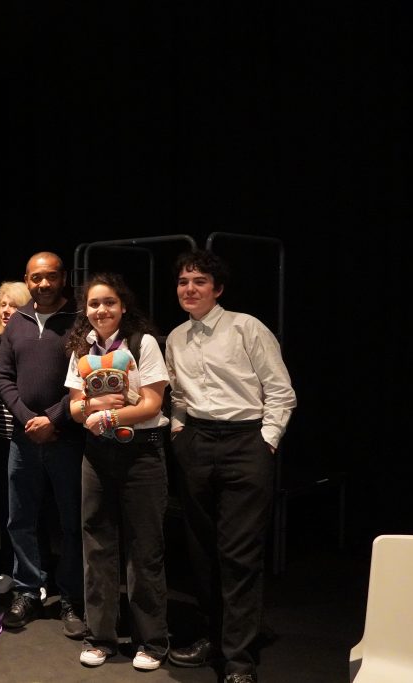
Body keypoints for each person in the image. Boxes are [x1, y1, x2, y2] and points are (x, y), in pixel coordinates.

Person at [164, 249, 296, 683]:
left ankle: (239, 659)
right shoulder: (176, 337)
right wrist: (180, 432)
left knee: (239, 554)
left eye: (199, 281)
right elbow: (178, 395)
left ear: (217, 289)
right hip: (197, 442)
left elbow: (280, 390)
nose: (189, 289)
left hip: (245, 442)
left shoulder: (246, 327)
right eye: (183, 281)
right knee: (201, 550)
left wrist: (267, 441)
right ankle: (213, 637)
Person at [64, 273, 170, 670]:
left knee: (144, 549)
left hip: (141, 453)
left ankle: (151, 641)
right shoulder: (82, 348)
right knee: (97, 545)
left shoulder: (143, 344)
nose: (101, 310)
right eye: (94, 304)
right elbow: (75, 408)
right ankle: (100, 638)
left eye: (109, 302)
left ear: (123, 306)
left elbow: (152, 405)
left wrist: (106, 414)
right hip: (97, 454)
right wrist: (94, 409)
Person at [0, 251, 87, 639]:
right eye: (36, 278)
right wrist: (27, 419)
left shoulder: (80, 320)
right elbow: (3, 377)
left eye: (50, 276)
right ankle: (28, 591)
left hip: (67, 438)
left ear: (63, 277)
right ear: (27, 279)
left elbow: (88, 379)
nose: (43, 284)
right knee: (21, 519)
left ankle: (72, 597)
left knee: (71, 522)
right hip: (23, 439)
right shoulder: (17, 321)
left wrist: (53, 419)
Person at [0, 281, 31, 595]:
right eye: (3, 304)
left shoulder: (33, 339)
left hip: (27, 433)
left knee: (28, 507)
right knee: (5, 508)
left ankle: (32, 572)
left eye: (15, 304)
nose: (7, 310)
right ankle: (9, 567)